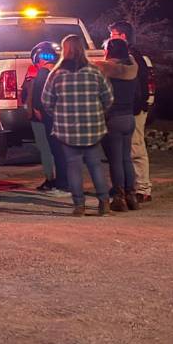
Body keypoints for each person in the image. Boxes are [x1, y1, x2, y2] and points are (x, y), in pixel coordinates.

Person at [41, 35, 114, 216]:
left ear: (64, 50)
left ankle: (79, 205)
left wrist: (59, 115)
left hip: (67, 129)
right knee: (95, 165)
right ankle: (104, 203)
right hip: (93, 127)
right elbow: (108, 98)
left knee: (73, 166)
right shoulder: (95, 72)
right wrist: (98, 113)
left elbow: (46, 101)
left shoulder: (56, 75)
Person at [108, 21, 152, 203]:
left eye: (113, 35)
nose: (110, 39)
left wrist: (138, 107)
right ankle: (128, 186)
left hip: (132, 110)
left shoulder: (133, 59)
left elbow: (141, 87)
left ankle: (142, 188)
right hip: (131, 110)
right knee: (127, 151)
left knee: (135, 148)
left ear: (122, 36)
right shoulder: (135, 57)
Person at [96, 38, 140, 212]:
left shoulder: (105, 69)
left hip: (112, 118)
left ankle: (119, 197)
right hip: (129, 117)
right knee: (126, 158)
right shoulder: (133, 69)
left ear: (110, 51)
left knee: (115, 161)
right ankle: (131, 196)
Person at [25, 42, 70, 197]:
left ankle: (60, 184)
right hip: (64, 119)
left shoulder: (41, 74)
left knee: (54, 151)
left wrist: (40, 114)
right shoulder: (62, 73)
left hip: (48, 120)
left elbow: (37, 103)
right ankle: (63, 182)